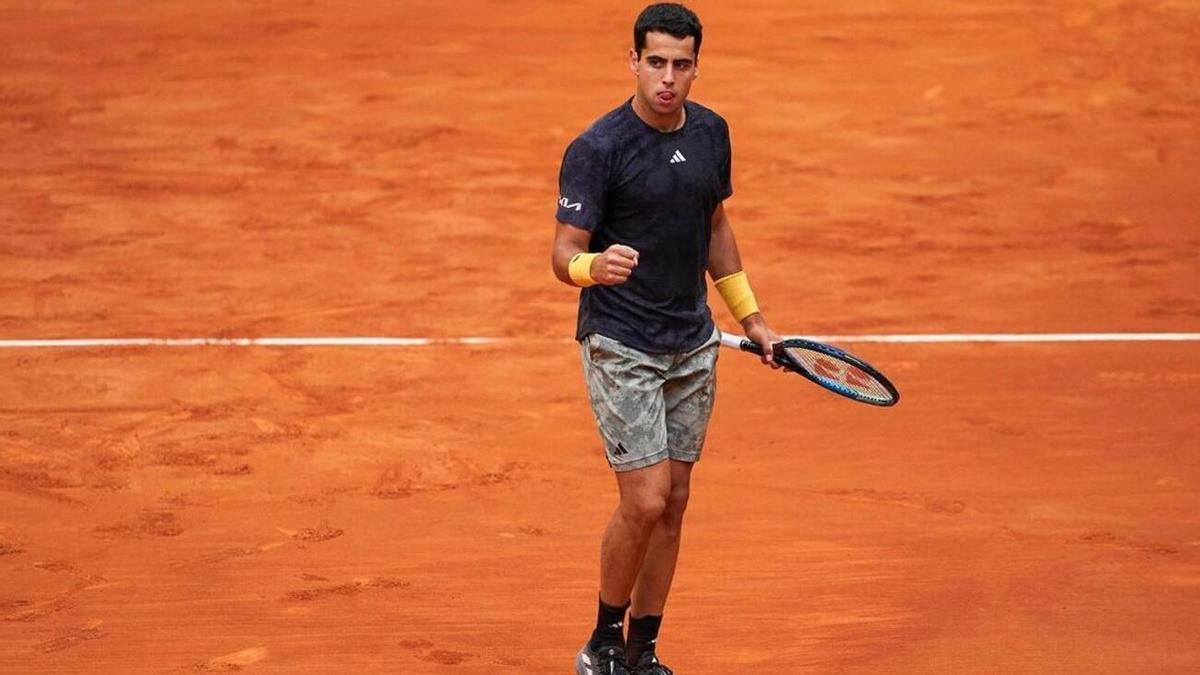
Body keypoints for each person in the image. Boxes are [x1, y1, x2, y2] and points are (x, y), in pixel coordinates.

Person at [552, 4, 780, 674]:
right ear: (634, 62)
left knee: (675, 502)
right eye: (656, 62)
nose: (668, 78)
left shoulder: (712, 134)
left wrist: (751, 316)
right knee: (645, 497)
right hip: (621, 340)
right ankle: (601, 640)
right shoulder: (598, 149)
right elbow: (563, 254)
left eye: (681, 64)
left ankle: (641, 649)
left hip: (692, 342)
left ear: (696, 65)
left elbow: (715, 227)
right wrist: (597, 266)